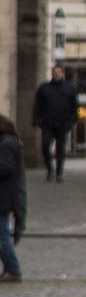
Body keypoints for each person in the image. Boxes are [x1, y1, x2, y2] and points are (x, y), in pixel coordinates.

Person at [32, 65, 79, 182]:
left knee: (60, 149)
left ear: (62, 73)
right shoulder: (44, 88)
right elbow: (37, 105)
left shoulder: (69, 88)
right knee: (45, 145)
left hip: (63, 122)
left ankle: (59, 173)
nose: (56, 74)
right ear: (52, 73)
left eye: (58, 72)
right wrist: (36, 122)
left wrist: (73, 120)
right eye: (54, 72)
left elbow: (74, 106)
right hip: (47, 123)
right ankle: (50, 168)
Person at [0, 114, 27, 282]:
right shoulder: (8, 142)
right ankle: (10, 268)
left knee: (2, 236)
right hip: (5, 196)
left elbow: (5, 168)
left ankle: (13, 269)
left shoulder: (7, 144)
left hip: (4, 197)